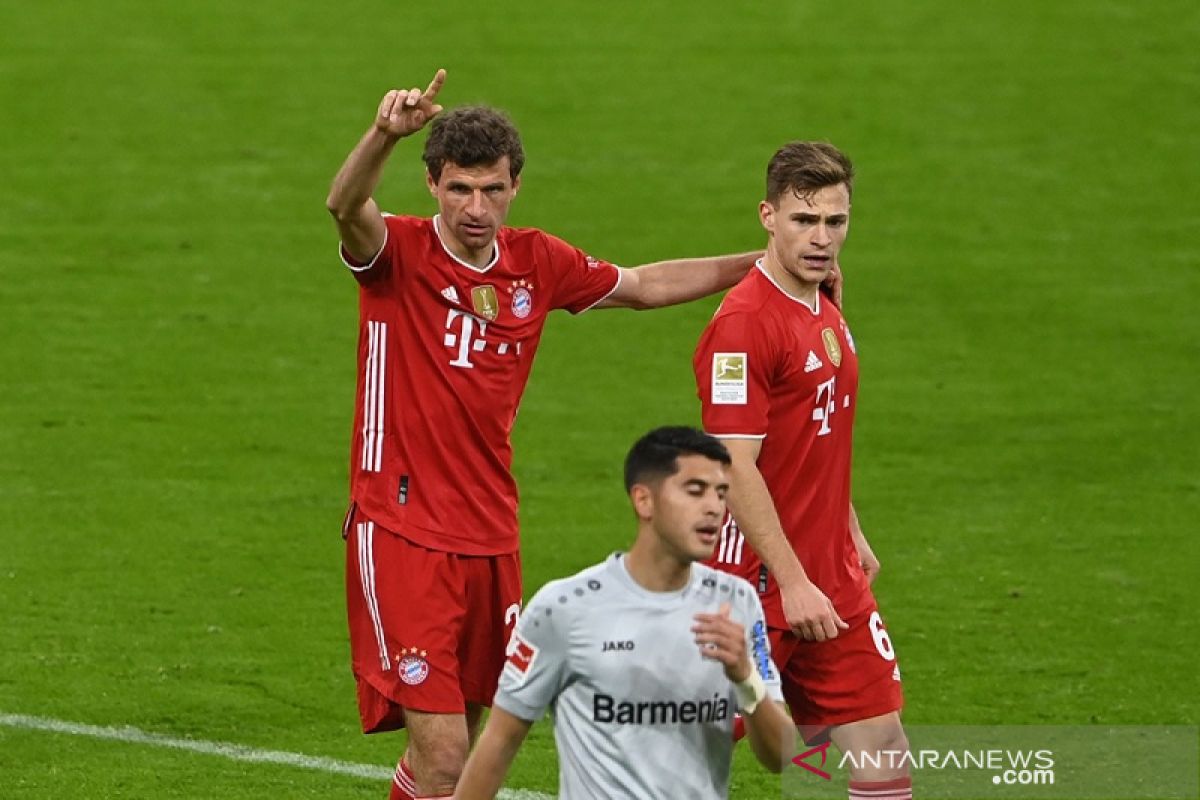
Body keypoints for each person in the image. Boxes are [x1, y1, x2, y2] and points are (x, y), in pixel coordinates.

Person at [325, 69, 795, 800]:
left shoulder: (536, 262)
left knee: (458, 763)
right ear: (432, 186)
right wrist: (384, 134)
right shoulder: (398, 258)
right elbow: (344, 204)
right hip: (400, 530)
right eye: (458, 189)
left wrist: (767, 265)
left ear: (514, 187)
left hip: (490, 533)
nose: (475, 208)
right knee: (446, 758)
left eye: (491, 190)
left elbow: (643, 286)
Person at [695, 141, 912, 799]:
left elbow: (819, 435)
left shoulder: (824, 303)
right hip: (752, 583)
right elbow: (735, 463)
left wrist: (849, 531)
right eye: (803, 221)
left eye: (835, 222)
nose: (821, 239)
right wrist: (792, 582)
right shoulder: (743, 325)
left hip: (828, 576)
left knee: (883, 748)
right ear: (768, 215)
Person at [452, 426, 795, 800]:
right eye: (695, 491)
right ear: (644, 501)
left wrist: (745, 677)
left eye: (721, 493)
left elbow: (781, 756)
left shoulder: (736, 603)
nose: (714, 507)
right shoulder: (566, 608)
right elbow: (500, 740)